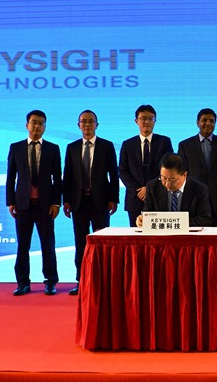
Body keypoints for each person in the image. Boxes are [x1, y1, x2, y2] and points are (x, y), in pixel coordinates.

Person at [62, 109, 119, 296]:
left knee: (102, 244)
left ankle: (104, 282)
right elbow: (67, 176)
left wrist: (113, 199)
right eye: (83, 121)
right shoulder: (72, 148)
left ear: (97, 125)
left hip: (100, 202)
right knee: (81, 244)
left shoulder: (106, 146)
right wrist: (66, 200)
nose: (87, 125)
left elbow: (114, 175)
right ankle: (81, 281)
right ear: (78, 125)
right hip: (78, 203)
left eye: (90, 121)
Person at [5, 110, 62, 296]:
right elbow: (11, 177)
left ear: (45, 127)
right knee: (23, 245)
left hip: (45, 206)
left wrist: (56, 203)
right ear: (26, 125)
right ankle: (23, 283)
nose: (37, 126)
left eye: (41, 123)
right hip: (23, 205)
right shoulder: (16, 148)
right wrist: (10, 201)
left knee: (48, 245)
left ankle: (50, 282)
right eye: (33, 122)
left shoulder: (53, 149)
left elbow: (57, 179)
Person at [178, 108, 217, 226]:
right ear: (197, 123)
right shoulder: (185, 145)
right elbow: (181, 176)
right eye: (204, 120)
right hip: (193, 204)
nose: (208, 123)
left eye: (211, 121)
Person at [119, 105, 173, 227]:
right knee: (136, 234)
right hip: (135, 198)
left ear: (155, 121)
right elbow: (122, 171)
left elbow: (169, 168)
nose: (147, 122)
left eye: (150, 118)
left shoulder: (164, 142)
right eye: (143, 118)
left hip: (158, 196)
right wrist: (138, 191)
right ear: (136, 121)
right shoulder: (128, 144)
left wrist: (149, 188)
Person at [136, 153, 212, 227]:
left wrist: (174, 222)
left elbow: (205, 220)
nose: (167, 183)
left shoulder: (199, 189)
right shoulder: (152, 187)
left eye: (172, 180)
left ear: (184, 175)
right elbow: (148, 214)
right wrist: (143, 220)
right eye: (163, 178)